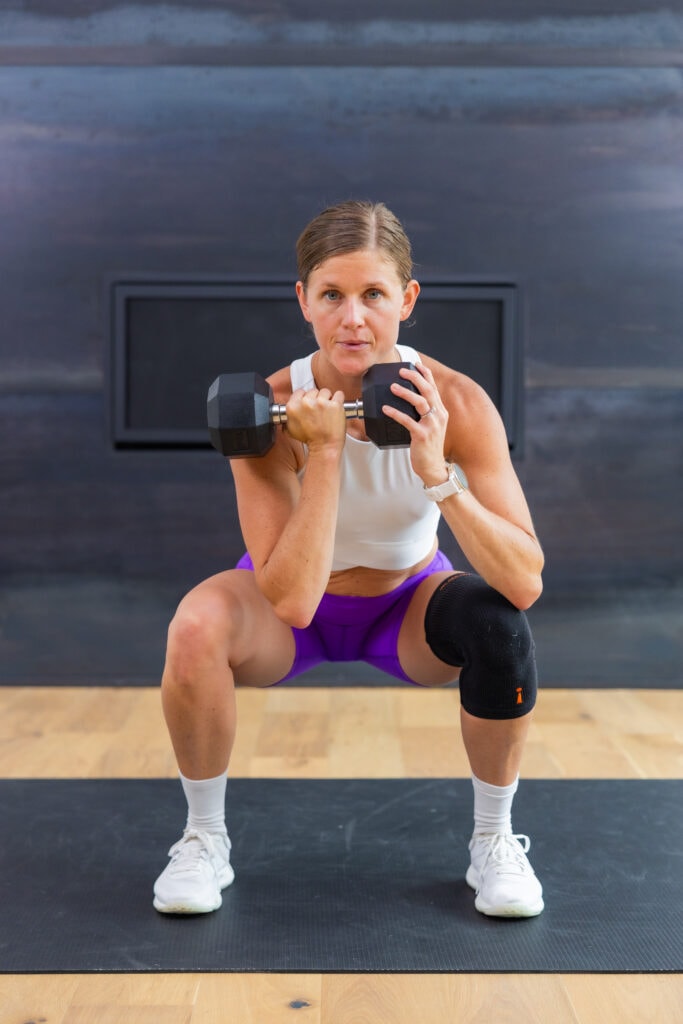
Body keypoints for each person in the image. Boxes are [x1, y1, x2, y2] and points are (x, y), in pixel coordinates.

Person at [153, 200, 545, 919]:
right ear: (303, 300)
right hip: (288, 610)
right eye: (331, 295)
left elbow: (523, 580)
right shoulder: (267, 406)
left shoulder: (455, 402)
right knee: (195, 627)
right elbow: (291, 601)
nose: (352, 319)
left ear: (407, 299)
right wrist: (326, 451)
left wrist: (436, 473)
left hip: (406, 608)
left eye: (373, 294)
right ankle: (203, 838)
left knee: (497, 625)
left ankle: (493, 841)